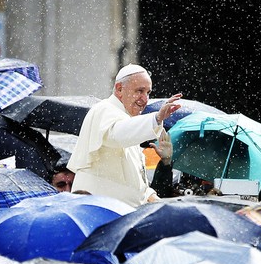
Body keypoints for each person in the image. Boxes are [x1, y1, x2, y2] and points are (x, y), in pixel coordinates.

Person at [67, 64, 181, 206]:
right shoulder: (104, 109)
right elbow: (118, 135)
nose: (145, 100)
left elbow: (135, 181)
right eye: (139, 91)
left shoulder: (127, 121)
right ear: (119, 89)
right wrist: (156, 118)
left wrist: (153, 198)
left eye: (148, 93)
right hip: (97, 207)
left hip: (121, 211)